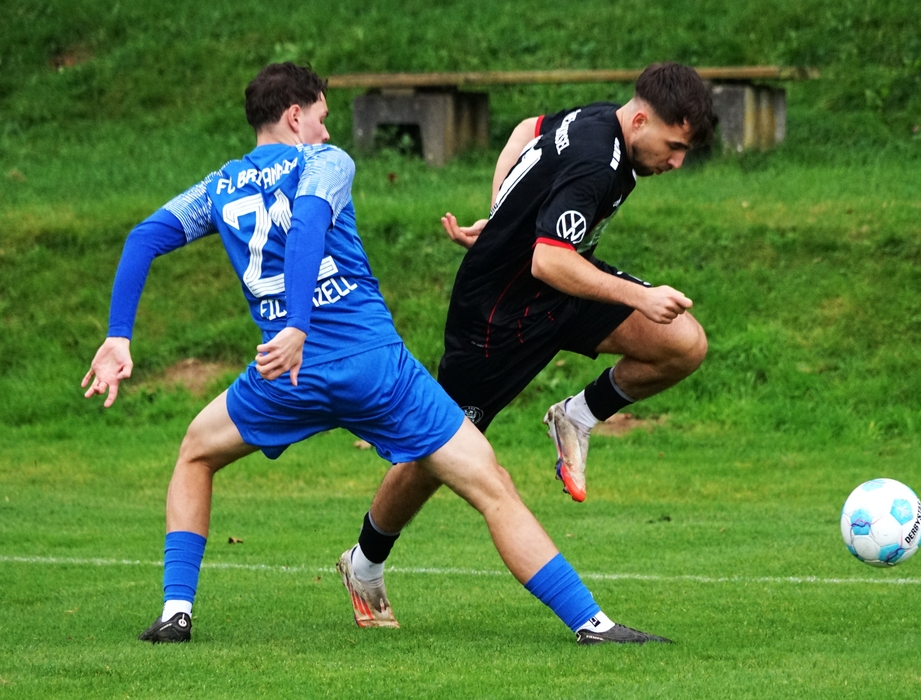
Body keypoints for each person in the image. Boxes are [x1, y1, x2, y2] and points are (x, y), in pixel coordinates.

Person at [82, 62, 668, 646]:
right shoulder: (324, 162)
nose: (327, 129)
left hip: (286, 376)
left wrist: (118, 336)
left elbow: (144, 237)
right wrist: (299, 324)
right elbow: (308, 220)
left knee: (195, 454)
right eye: (321, 116)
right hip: (372, 366)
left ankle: (176, 612)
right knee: (491, 485)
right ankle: (591, 623)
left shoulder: (219, 187)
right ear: (295, 116)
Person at [337, 62, 716, 628]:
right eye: (674, 146)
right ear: (641, 121)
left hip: (561, 293)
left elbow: (525, 130)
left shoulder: (601, 119)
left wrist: (500, 213)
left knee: (683, 342)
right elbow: (547, 259)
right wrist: (639, 297)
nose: (677, 162)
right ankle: (364, 561)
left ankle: (577, 415)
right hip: (497, 316)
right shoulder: (596, 159)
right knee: (435, 454)